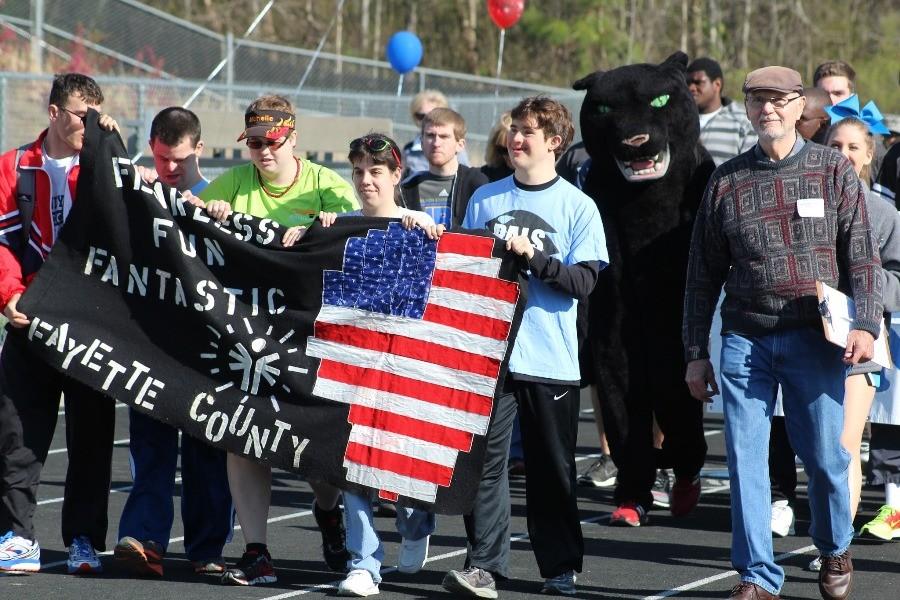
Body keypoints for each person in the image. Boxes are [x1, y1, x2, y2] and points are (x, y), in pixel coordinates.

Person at [683, 66, 881, 600]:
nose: (766, 109)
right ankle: (756, 577)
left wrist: (865, 324)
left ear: (799, 107)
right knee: (747, 461)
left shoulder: (832, 172)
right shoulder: (726, 180)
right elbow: (701, 274)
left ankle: (834, 543)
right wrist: (696, 352)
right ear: (746, 110)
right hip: (746, 339)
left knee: (824, 456)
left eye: (777, 100)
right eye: (756, 101)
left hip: (815, 340)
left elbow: (861, 257)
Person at [442, 96, 607, 598]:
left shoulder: (579, 206)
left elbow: (584, 282)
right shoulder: (484, 198)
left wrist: (535, 260)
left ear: (554, 143)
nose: (516, 138)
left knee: (550, 468)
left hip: (550, 359)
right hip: (490, 359)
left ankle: (559, 568)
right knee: (484, 467)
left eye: (529, 132)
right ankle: (484, 567)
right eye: (514, 129)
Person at [199, 94, 358, 586]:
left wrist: (324, 229)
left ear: (293, 137)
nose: (263, 152)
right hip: (251, 337)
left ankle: (327, 511)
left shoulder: (326, 185)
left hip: (313, 338)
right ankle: (256, 549)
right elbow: (185, 218)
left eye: (272, 142)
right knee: (243, 437)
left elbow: (362, 234)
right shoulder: (235, 181)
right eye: (253, 144)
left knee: (315, 444)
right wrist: (209, 209)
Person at [287, 133, 439, 597]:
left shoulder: (420, 228)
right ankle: (363, 563)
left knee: (401, 474)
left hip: (404, 371)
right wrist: (309, 233)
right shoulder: (341, 226)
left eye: (376, 172)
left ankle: (416, 526)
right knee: (351, 465)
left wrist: (425, 226)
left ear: (396, 175)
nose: (366, 180)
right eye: (358, 172)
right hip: (351, 368)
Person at [0, 73, 121, 575]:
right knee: (17, 436)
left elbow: (132, 224)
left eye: (96, 114)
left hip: (90, 324)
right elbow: (2, 242)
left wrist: (109, 145)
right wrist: (9, 295)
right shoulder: (14, 166)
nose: (86, 123)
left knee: (92, 440)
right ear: (53, 114)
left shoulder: (103, 166)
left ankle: (84, 541)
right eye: (79, 114)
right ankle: (16, 536)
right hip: (29, 319)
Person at [113, 107, 234, 578]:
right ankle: (145, 540)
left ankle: (206, 549)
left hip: (205, 348)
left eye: (179, 160)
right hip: (152, 345)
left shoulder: (220, 198)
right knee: (151, 447)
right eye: (161, 159)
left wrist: (222, 216)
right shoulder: (143, 192)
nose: (169, 169)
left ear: (199, 150)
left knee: (207, 452)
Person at [400, 108, 487, 229]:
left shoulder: (478, 184)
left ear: (460, 145)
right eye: (430, 135)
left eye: (444, 136)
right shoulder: (407, 188)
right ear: (421, 142)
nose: (436, 143)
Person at [686, 57, 757, 166]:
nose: (691, 88)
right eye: (687, 82)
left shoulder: (743, 122)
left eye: (698, 82)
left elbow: (750, 169)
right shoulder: (677, 119)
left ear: (717, 84)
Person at [401, 90, 468, 179]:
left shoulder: (455, 148)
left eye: (433, 116)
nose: (427, 121)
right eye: (421, 116)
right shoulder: (408, 151)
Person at [480, 112, 515, 183]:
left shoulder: (540, 177)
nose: (508, 156)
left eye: (514, 149)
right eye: (503, 150)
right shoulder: (485, 176)